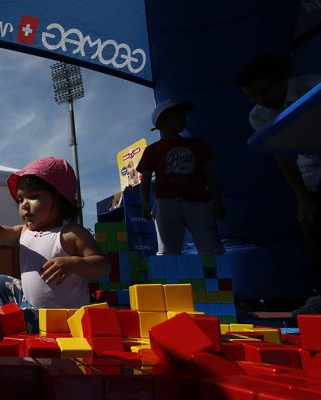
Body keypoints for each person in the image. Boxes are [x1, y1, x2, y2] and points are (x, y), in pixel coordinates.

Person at [237, 54, 321, 315]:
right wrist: (303, 198)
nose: (261, 100)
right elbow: (284, 157)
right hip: (312, 176)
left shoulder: (314, 88)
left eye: (266, 91)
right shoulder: (259, 115)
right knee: (313, 232)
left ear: (282, 80)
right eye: (253, 96)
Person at [0, 157, 109, 310]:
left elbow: (103, 265)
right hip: (31, 311)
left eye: (33, 196)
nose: (24, 204)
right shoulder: (24, 231)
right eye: (20, 199)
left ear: (59, 198)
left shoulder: (70, 234)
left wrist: (74, 263)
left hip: (68, 318)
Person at [136, 100, 225, 256]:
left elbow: (209, 174)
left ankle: (214, 278)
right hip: (166, 202)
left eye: (184, 116)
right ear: (160, 122)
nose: (182, 119)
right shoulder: (152, 150)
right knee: (168, 251)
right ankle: (173, 280)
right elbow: (146, 177)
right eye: (176, 116)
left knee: (210, 249)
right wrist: (144, 202)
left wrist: (217, 200)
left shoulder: (196, 144)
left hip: (199, 201)